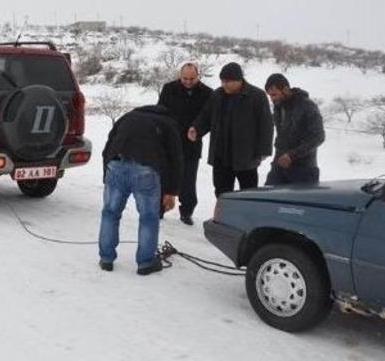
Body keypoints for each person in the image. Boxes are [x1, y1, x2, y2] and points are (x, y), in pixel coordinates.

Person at [100, 105, 183, 275]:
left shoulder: (128, 116)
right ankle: (145, 262)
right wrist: (171, 191)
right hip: (146, 170)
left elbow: (108, 145)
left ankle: (106, 259)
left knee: (110, 213)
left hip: (116, 165)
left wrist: (106, 173)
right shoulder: (168, 122)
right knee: (149, 217)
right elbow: (176, 158)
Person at [188, 62, 273, 197]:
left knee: (248, 193)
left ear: (239, 80)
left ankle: (246, 218)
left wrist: (264, 150)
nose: (224, 84)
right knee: (222, 192)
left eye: (228, 81)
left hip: (246, 156)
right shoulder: (217, 95)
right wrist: (196, 129)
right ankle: (224, 217)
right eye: (222, 81)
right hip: (221, 155)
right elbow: (206, 115)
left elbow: (266, 125)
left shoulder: (257, 96)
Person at [158, 62, 213, 225]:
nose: (188, 81)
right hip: (170, 141)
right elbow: (160, 111)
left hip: (192, 143)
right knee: (164, 176)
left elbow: (209, 118)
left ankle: (187, 211)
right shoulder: (169, 89)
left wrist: (198, 130)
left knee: (188, 180)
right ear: (180, 76)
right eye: (185, 78)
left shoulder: (207, 93)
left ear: (198, 76)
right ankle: (159, 208)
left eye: (192, 78)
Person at [264, 74, 325, 185]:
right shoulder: (278, 106)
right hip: (279, 166)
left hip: (303, 169)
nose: (272, 98)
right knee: (268, 199)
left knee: (299, 202)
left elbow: (318, 136)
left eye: (274, 94)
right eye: (270, 95)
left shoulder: (307, 106)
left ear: (286, 89)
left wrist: (292, 155)